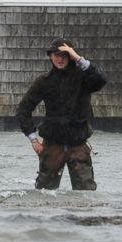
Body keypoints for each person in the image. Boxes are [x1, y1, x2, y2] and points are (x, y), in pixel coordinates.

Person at [15, 38, 107, 190]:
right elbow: (23, 110)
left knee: (86, 194)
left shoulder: (84, 79)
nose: (60, 59)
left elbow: (102, 79)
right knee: (45, 193)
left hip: (78, 144)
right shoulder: (44, 82)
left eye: (64, 55)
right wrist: (33, 139)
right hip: (52, 145)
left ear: (70, 57)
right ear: (50, 57)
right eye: (56, 55)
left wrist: (78, 58)